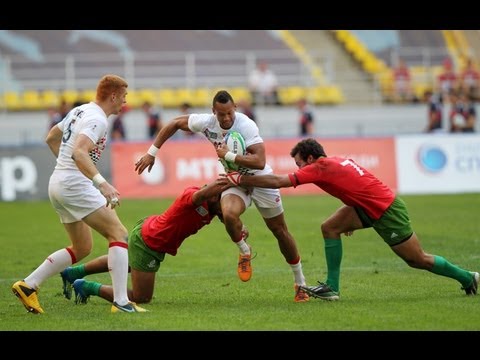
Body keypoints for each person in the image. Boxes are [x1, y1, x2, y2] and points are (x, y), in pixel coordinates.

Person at [219, 138, 479, 301]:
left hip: (386, 210)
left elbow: (278, 181)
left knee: (416, 259)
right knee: (330, 227)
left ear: (310, 158)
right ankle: (332, 287)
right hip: (367, 205)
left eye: (300, 163)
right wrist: (352, 213)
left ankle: (468, 277)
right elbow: (359, 185)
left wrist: (241, 179)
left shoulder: (320, 167)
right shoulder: (337, 161)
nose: (300, 169)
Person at [134, 90, 309, 302]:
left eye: (229, 113)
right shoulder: (207, 122)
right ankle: (244, 251)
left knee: (279, 231)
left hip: (260, 180)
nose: (226, 118)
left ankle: (300, 283)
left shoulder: (246, 125)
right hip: (234, 180)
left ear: (234, 107)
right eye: (221, 114)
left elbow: (260, 161)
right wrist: (152, 152)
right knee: (228, 213)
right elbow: (174, 123)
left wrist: (228, 155)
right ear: (213, 112)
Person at [12, 74, 146, 314]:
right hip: (73, 185)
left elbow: (51, 137)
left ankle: (28, 285)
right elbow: (80, 153)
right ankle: (122, 302)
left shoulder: (81, 111)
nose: (125, 102)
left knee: (82, 246)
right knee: (119, 234)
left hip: (59, 183)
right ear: (113, 95)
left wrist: (67, 169)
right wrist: (102, 183)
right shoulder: (98, 120)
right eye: (124, 97)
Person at [60, 181, 226, 305]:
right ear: (214, 195)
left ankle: (73, 273)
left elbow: (228, 217)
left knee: (129, 264)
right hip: (149, 242)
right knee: (141, 297)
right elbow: (202, 195)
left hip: (148, 231)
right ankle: (87, 287)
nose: (223, 208)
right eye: (222, 202)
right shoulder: (193, 195)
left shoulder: (213, 209)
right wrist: (228, 180)